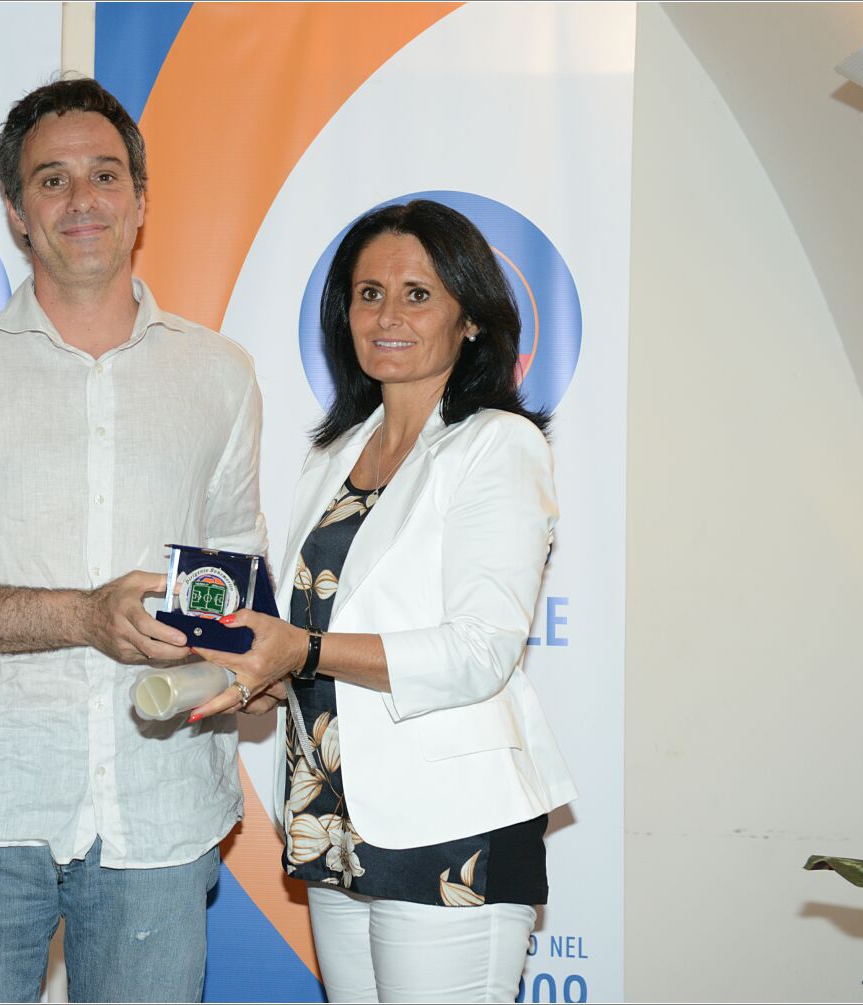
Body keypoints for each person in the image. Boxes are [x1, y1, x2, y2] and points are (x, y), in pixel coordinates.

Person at [0, 78, 266, 1003]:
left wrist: (248, 657)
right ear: (16, 212)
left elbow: (235, 583)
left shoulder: (220, 376)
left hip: (158, 810)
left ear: (141, 200)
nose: (83, 199)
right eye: (52, 179)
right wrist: (82, 615)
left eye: (106, 175)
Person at [188, 200, 578, 1003]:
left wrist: (304, 651)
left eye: (417, 294)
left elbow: (479, 650)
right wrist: (271, 671)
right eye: (369, 294)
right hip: (332, 815)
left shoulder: (497, 444)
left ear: (472, 318)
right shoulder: (335, 451)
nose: (387, 315)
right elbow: (321, 628)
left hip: (449, 821)